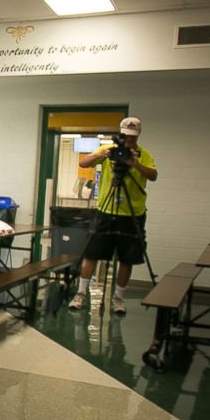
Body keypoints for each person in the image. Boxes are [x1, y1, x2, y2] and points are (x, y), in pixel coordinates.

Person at [68, 117, 157, 314]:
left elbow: (153, 176)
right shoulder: (108, 149)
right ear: (120, 134)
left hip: (132, 213)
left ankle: (118, 298)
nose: (128, 141)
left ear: (138, 136)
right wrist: (104, 154)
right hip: (106, 212)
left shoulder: (144, 154)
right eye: (125, 137)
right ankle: (81, 294)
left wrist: (135, 164)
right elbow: (84, 163)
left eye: (132, 138)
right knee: (92, 254)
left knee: (127, 258)